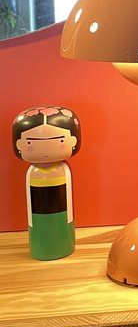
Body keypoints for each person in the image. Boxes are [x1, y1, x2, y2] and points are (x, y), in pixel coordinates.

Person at [12, 106, 81, 260]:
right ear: (19, 145)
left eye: (60, 140)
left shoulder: (63, 169)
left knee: (62, 228)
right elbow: (30, 202)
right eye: (31, 142)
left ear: (73, 141)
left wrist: (69, 217)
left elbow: (69, 199)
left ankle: (64, 246)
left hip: (63, 218)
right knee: (41, 231)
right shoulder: (33, 172)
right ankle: (42, 248)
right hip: (37, 219)